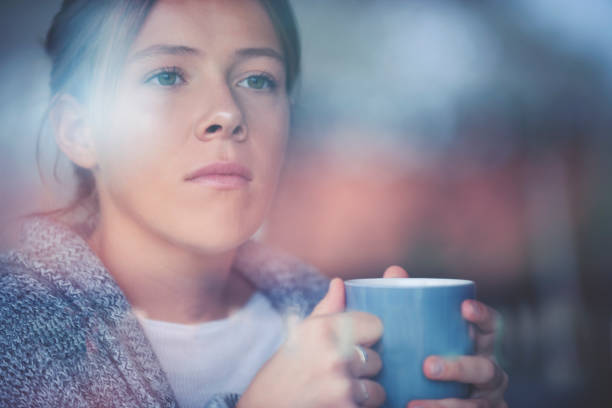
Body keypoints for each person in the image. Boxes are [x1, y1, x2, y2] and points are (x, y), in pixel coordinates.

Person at [0, 1, 508, 407]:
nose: (226, 112)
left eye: (258, 79)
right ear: (80, 130)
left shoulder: (330, 324)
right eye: (168, 75)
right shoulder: (13, 338)